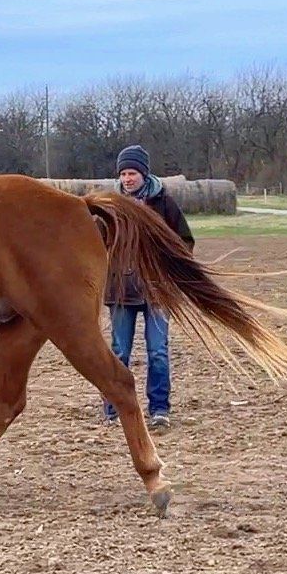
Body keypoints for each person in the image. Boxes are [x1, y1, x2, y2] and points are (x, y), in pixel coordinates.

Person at [102, 144, 195, 429]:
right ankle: (113, 409)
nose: (128, 178)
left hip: (157, 291)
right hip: (120, 291)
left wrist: (167, 268)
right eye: (123, 173)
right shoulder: (110, 205)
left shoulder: (164, 203)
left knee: (158, 351)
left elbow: (185, 242)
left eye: (132, 173)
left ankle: (159, 409)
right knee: (119, 351)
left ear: (144, 173)